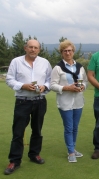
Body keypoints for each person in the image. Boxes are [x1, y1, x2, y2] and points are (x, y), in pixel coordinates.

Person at [4, 39, 52, 175]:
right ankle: (14, 160)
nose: (33, 50)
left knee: (37, 130)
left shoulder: (45, 63)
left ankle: (34, 154)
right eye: (30, 47)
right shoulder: (16, 62)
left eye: (36, 47)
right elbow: (9, 79)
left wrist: (45, 86)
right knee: (18, 132)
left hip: (40, 101)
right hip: (22, 101)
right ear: (25, 48)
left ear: (39, 49)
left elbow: (50, 79)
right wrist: (23, 86)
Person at [50, 40, 88, 163]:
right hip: (65, 102)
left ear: (73, 51)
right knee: (69, 128)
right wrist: (67, 88)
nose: (68, 52)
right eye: (65, 50)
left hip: (78, 102)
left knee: (75, 127)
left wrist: (83, 87)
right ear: (61, 52)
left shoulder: (80, 67)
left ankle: (73, 148)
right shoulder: (58, 68)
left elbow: (85, 82)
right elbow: (52, 85)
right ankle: (70, 152)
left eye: (70, 50)